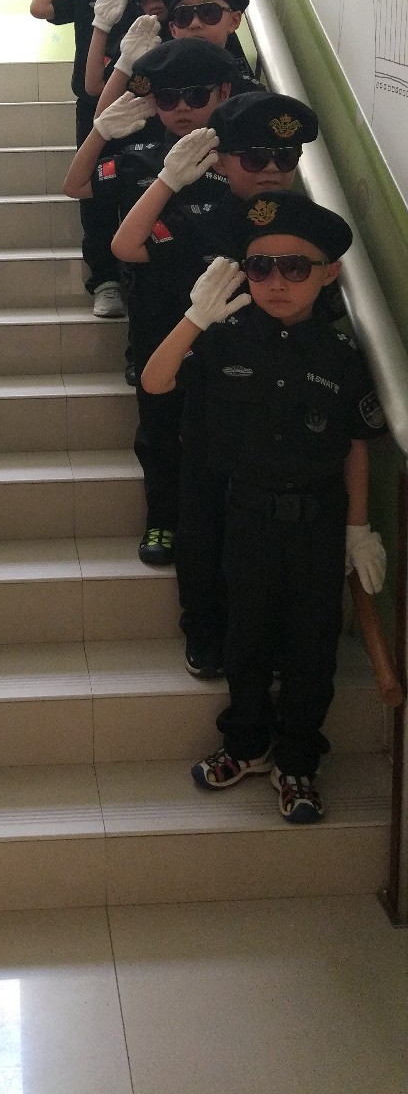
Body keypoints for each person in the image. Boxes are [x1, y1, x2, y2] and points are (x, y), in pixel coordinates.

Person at [139, 192, 387, 823]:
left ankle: (298, 761)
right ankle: (246, 744)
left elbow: (355, 447)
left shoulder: (341, 355)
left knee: (313, 649)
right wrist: (194, 317)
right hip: (244, 517)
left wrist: (358, 529)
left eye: (295, 267)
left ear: (329, 273)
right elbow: (156, 381)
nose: (277, 281)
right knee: (244, 638)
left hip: (318, 523)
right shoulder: (222, 340)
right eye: (260, 267)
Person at [118, 88, 319, 674]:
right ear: (224, 161)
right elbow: (125, 245)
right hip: (209, 388)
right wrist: (168, 180)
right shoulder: (199, 212)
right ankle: (204, 632)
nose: (272, 169)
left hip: (282, 393)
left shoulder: (308, 225)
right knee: (204, 521)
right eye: (254, 157)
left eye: (285, 156)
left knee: (272, 541)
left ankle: (267, 644)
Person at [63, 39, 238, 563]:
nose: (181, 107)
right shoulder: (139, 156)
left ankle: (220, 522)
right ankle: (162, 519)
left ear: (224, 92)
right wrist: (100, 131)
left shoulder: (241, 159)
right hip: (158, 309)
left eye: (196, 95)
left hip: (230, 312)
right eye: (167, 97)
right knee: (159, 422)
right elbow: (75, 185)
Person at [31, 0, 157, 316]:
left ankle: (143, 275)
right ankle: (104, 278)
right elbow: (40, 7)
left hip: (152, 105)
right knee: (97, 194)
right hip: (95, 108)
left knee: (146, 187)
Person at [92, 0, 255, 111]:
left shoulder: (247, 92)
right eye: (183, 15)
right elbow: (104, 121)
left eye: (209, 12)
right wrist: (125, 65)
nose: (195, 23)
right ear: (173, 29)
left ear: (234, 21)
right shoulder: (155, 77)